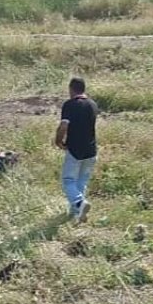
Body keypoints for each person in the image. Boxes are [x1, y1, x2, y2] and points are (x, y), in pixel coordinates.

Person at [56, 77, 99, 223]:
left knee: (68, 180)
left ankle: (80, 203)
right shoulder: (93, 104)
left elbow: (63, 126)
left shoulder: (70, 105)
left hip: (75, 149)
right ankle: (77, 213)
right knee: (81, 181)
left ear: (71, 89)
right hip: (91, 149)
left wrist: (58, 141)